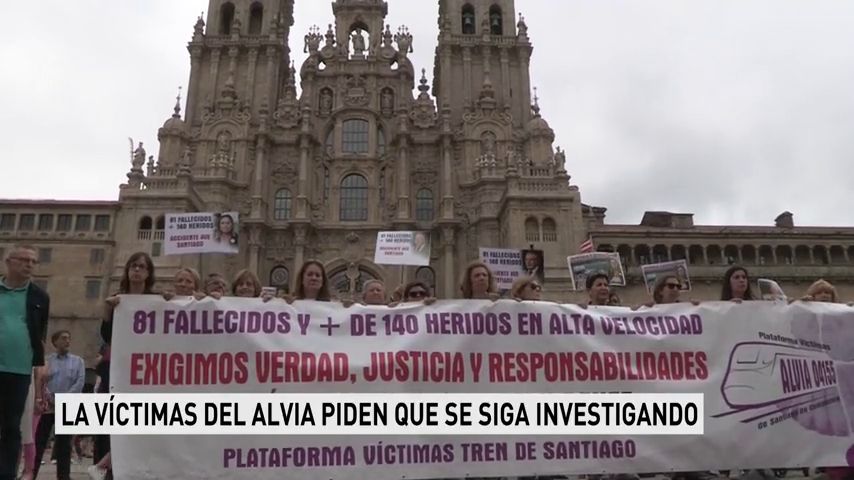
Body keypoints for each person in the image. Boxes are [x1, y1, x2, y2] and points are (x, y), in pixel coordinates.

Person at [93, 252, 157, 480]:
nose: (137, 270)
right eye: (134, 266)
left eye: (142, 267)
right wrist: (108, 311)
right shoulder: (116, 299)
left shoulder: (156, 302)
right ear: (128, 269)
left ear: (148, 273)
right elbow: (107, 336)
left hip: (143, 375)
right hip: (116, 373)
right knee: (107, 428)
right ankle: (103, 472)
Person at [0, 244, 49, 480]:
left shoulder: (40, 296)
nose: (30, 264)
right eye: (24, 260)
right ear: (8, 261)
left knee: (12, 427)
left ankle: (7, 474)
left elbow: (40, 333)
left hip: (19, 370)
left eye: (33, 261)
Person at [32, 330, 85, 480]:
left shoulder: (78, 361)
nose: (67, 341)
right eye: (63, 338)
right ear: (55, 342)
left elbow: (79, 382)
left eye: (69, 338)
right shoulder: (48, 360)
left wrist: (65, 398)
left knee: (64, 444)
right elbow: (41, 381)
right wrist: (50, 396)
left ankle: (63, 476)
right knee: (40, 441)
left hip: (67, 406)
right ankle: (32, 472)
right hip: (49, 406)